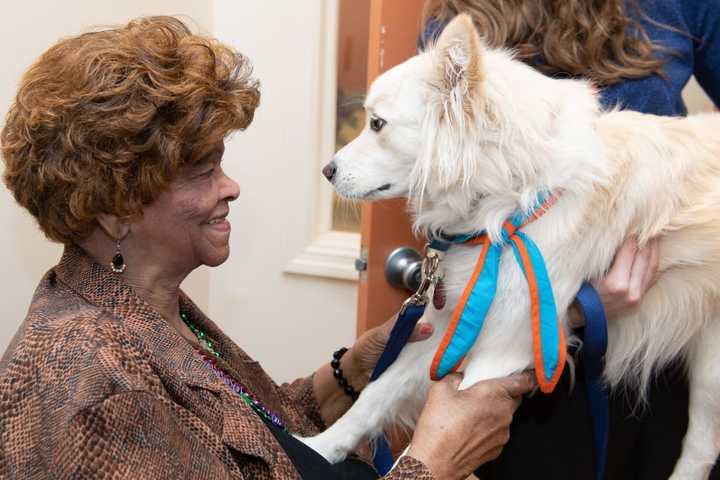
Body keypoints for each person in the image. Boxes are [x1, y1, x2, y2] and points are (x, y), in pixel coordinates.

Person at [0, 16, 536, 479]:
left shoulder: (145, 306)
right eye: (204, 171)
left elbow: (247, 443)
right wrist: (435, 463)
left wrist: (348, 373)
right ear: (117, 209)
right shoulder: (90, 387)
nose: (229, 187)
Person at [420, 0, 720, 478]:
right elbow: (448, 189)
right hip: (525, 340)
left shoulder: (683, 7)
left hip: (659, 342)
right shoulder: (457, 23)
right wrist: (582, 304)